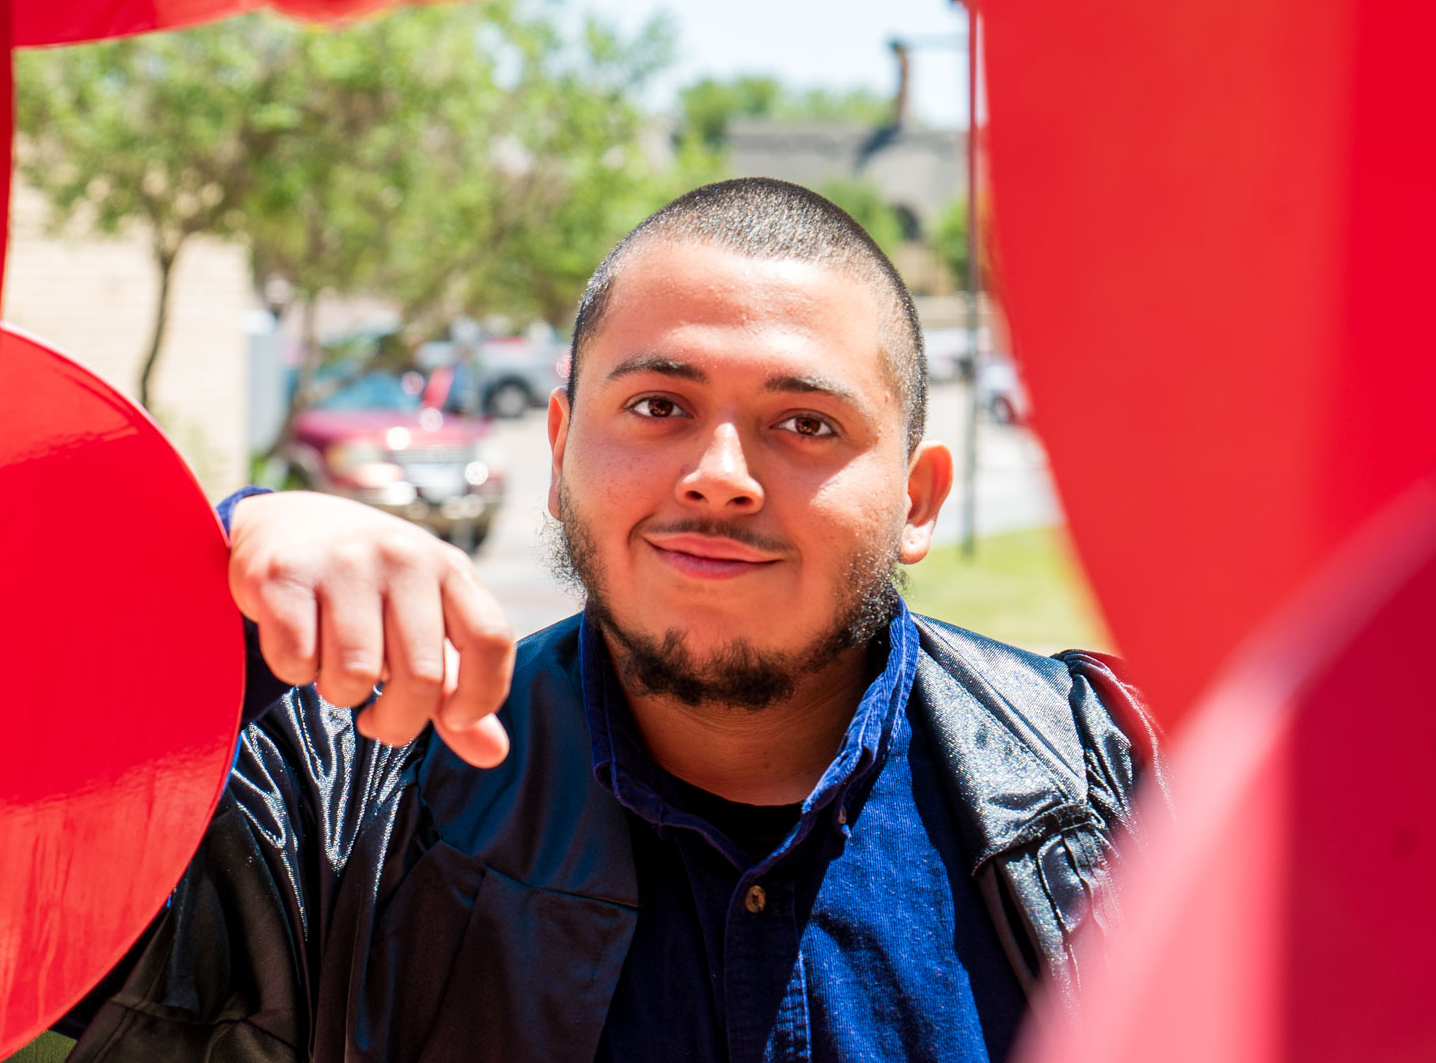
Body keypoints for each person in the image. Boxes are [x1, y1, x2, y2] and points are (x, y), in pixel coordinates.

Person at [61, 178, 1167, 1063]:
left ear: (918, 499)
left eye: (805, 422)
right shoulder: (341, 804)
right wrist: (209, 563)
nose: (720, 474)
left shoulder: (1129, 778)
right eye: (658, 407)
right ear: (557, 452)